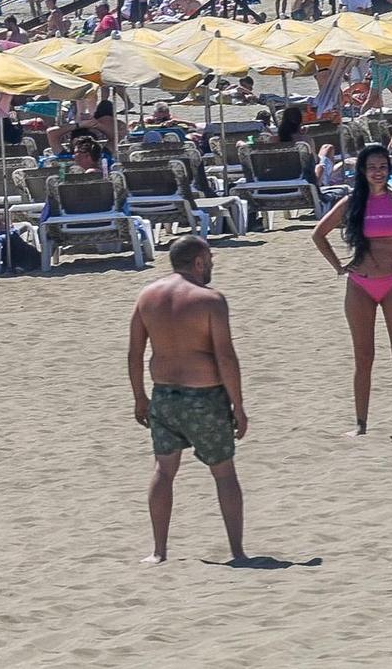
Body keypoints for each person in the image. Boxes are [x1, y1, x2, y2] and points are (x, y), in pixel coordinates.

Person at [128, 235, 247, 564]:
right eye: (209, 260)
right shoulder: (210, 300)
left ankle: (158, 551)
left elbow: (135, 353)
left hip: (164, 395)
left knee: (163, 471)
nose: (211, 266)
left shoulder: (147, 296)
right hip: (205, 397)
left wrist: (140, 397)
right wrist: (238, 404)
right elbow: (226, 357)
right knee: (223, 473)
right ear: (198, 262)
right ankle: (236, 550)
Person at [311, 145, 392, 436]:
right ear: (362, 170)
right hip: (360, 284)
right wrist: (339, 266)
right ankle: (361, 425)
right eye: (372, 167)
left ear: (389, 168)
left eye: (383, 166)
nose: (378, 172)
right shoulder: (351, 202)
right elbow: (318, 234)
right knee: (364, 356)